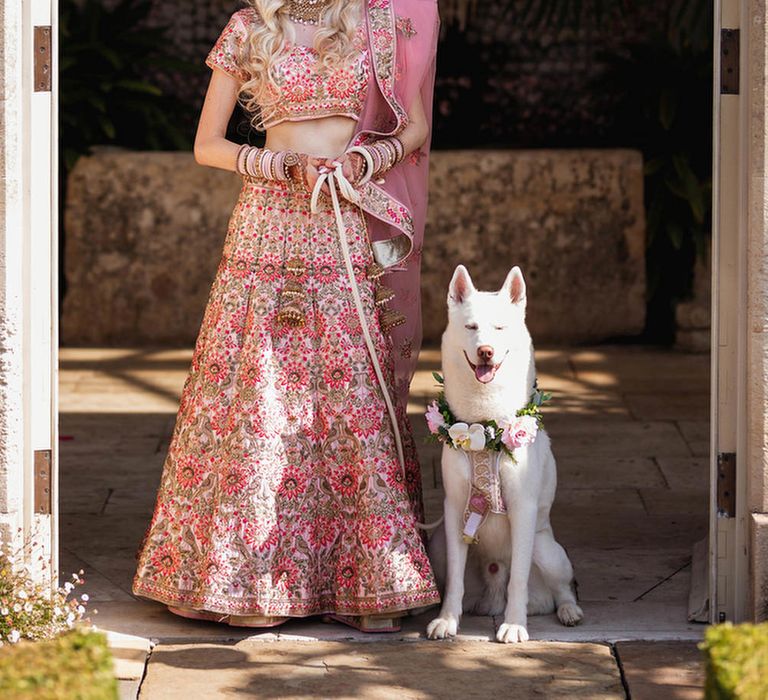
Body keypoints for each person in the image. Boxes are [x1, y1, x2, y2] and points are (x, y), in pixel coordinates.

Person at [132, 0, 440, 632]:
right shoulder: (249, 27)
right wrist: (277, 165)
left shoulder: (374, 21)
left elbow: (414, 128)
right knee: (259, 390)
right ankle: (244, 582)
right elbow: (207, 145)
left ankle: (369, 583)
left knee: (350, 388)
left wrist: (364, 161)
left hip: (344, 217)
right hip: (266, 225)